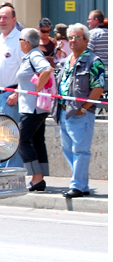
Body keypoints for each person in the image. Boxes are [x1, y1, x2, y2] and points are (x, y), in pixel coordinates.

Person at [53, 23, 106, 198]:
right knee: (67, 148)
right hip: (64, 111)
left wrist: (84, 108)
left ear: (86, 40)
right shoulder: (67, 60)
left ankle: (77, 185)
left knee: (81, 150)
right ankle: (80, 184)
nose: (73, 41)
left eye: (77, 37)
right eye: (71, 37)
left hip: (80, 113)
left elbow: (98, 87)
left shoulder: (93, 61)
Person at [14, 28, 52, 191]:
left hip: (33, 108)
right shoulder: (30, 56)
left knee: (22, 140)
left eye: (20, 40)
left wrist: (37, 88)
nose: (19, 43)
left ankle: (36, 177)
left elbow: (46, 69)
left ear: (26, 43)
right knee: (37, 141)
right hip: (33, 106)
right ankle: (40, 177)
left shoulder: (34, 55)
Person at [0, 2, 23, 166]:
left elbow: (25, 69)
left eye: (5, 18)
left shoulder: (19, 40)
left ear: (14, 19)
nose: (2, 21)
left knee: (10, 137)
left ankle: (12, 171)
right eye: (0, 17)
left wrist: (18, 92)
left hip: (10, 95)